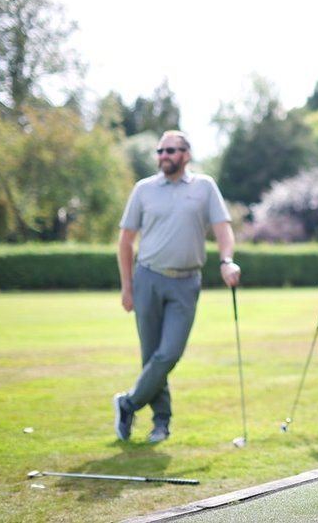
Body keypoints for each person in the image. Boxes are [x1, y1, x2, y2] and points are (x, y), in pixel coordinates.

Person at [114, 130, 240, 443]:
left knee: (169, 354)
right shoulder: (143, 189)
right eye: (160, 151)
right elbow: (126, 242)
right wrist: (127, 286)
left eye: (171, 150)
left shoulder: (204, 187)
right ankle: (161, 423)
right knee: (151, 355)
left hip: (187, 283)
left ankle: (128, 403)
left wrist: (226, 261)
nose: (163, 156)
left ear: (186, 154)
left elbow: (223, 231)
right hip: (148, 279)